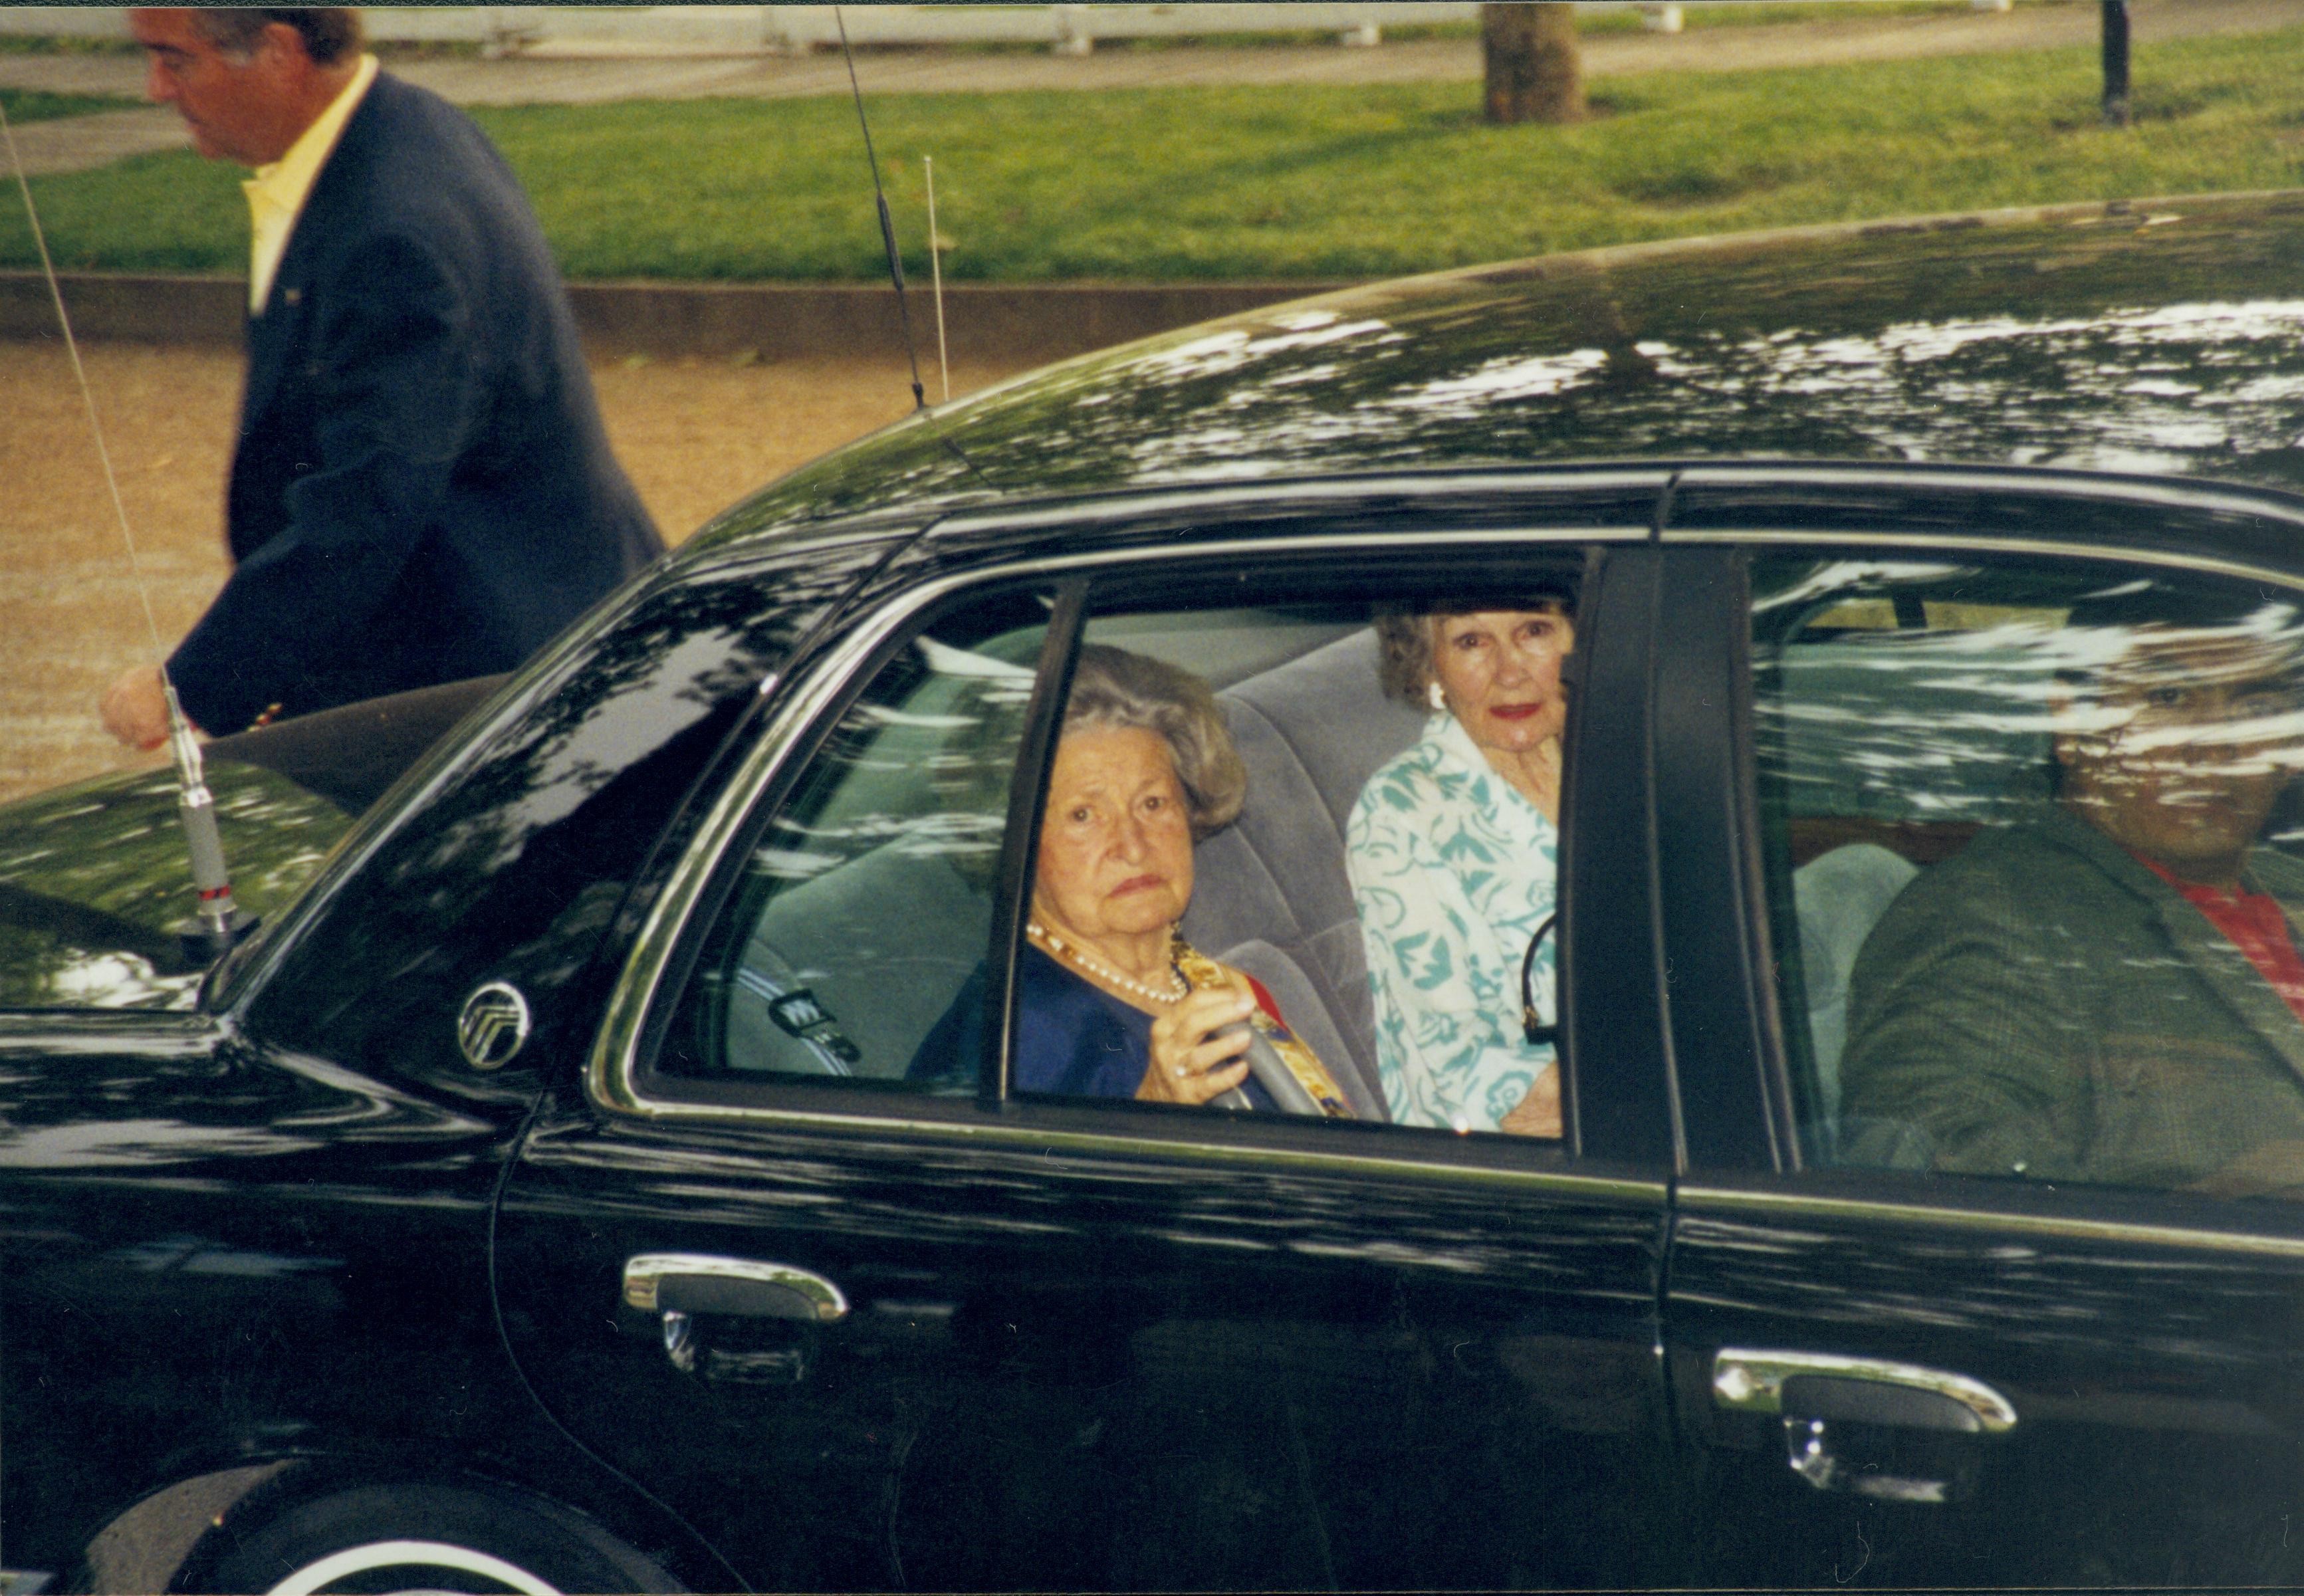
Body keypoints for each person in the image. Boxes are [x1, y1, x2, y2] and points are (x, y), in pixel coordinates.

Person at [102, 8, 661, 748]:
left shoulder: (392, 229)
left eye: (176, 61)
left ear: (279, 52)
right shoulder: (400, 127)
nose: (155, 90)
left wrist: (193, 685)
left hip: (504, 695)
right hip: (490, 653)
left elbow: (368, 500)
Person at [1839, 594, 2304, 1193]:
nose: (2215, 746)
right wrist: (2222, 1191)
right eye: (2168, 698)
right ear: (2072, 724)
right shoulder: (1991, 913)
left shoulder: (2286, 884)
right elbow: (1932, 1175)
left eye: (2257, 707)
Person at [914, 645, 1353, 1114]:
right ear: (1014, 844)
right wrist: (1153, 1111)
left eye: (1152, 804)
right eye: (1084, 815)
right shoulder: (1002, 1043)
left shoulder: (1214, 984)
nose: (1134, 846)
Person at [1347, 592, 1574, 1136]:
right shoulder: (1399, 813)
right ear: (1431, 667)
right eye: (1472, 641)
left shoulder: (1627, 753)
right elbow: (1469, 1075)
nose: (1509, 672)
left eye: (1535, 631)